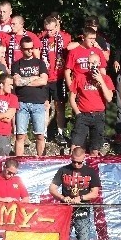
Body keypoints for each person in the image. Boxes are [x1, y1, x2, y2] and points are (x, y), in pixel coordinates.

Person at [49, 147, 101, 240]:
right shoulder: (63, 170)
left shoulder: (90, 172)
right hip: (65, 211)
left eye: (79, 162)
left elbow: (95, 193)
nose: (76, 165)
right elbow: (52, 188)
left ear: (84, 159)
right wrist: (62, 197)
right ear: (70, 158)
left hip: (82, 211)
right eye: (74, 162)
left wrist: (81, 198)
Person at [69, 53, 114, 156]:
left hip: (98, 116)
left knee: (95, 149)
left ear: (98, 63)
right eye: (88, 63)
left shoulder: (106, 79)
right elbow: (72, 98)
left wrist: (101, 81)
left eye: (93, 63)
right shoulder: (80, 77)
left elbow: (109, 98)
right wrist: (78, 113)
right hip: (83, 115)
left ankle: (93, 169)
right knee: (76, 147)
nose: (91, 65)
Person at [12, 36, 48, 156]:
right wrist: (33, 78)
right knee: (20, 135)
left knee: (40, 135)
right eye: (26, 49)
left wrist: (24, 80)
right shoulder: (16, 64)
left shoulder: (40, 63)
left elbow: (43, 81)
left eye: (31, 48)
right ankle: (18, 161)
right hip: (22, 103)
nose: (30, 51)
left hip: (38, 103)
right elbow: (17, 82)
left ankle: (42, 161)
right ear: (21, 49)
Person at [40, 15, 72, 144]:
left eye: (52, 30)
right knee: (45, 105)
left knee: (60, 106)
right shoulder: (42, 38)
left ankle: (60, 132)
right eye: (47, 30)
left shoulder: (65, 37)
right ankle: (44, 133)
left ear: (57, 27)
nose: (49, 33)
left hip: (59, 77)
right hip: (45, 77)